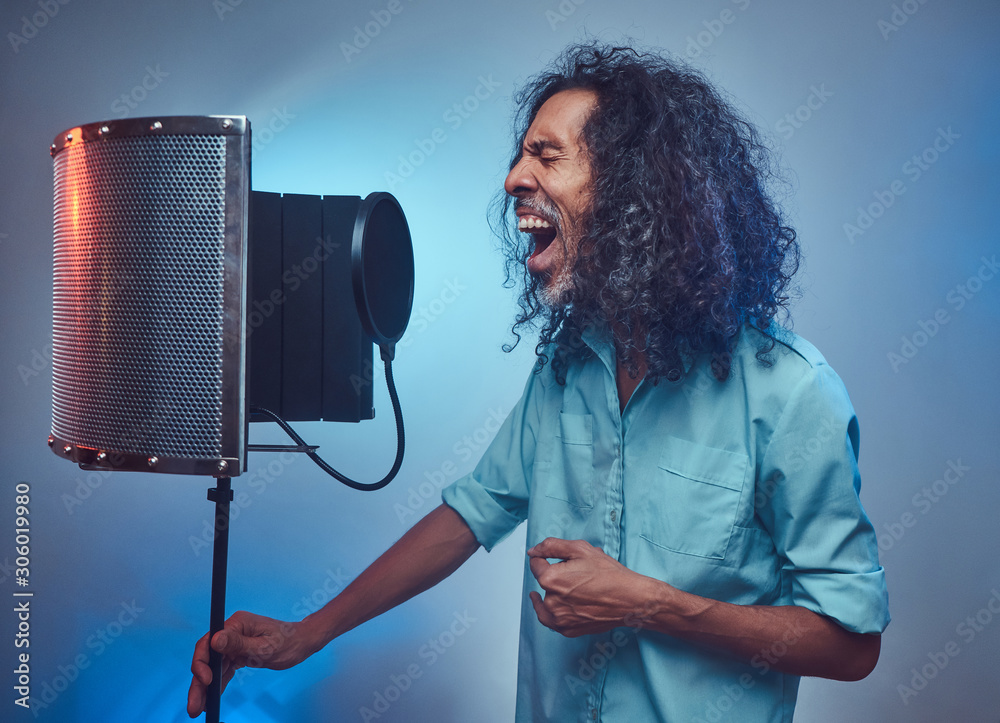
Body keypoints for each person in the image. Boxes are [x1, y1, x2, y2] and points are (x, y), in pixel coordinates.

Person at [188, 42, 889, 722]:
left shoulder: (791, 393)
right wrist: (305, 634)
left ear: (637, 191)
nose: (513, 179)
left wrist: (651, 603)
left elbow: (851, 644)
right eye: (521, 154)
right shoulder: (567, 365)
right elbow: (472, 512)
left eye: (547, 156)